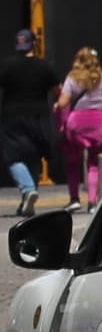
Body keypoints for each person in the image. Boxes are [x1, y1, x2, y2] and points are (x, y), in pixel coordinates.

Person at [0, 27, 56, 202]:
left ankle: (28, 189)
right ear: (34, 44)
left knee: (13, 156)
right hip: (39, 116)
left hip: (12, 115)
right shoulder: (45, 66)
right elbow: (58, 91)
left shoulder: (7, 65)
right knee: (34, 154)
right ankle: (28, 199)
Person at [53, 45, 102, 196]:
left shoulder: (72, 78)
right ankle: (92, 201)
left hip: (78, 124)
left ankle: (74, 199)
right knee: (94, 162)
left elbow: (63, 103)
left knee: (73, 161)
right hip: (101, 122)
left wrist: (57, 106)